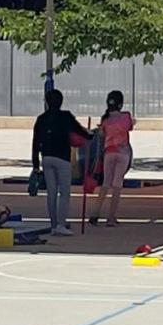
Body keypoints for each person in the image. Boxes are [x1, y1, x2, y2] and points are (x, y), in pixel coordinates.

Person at [32, 89, 91, 236]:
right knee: (64, 193)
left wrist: (35, 165)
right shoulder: (66, 116)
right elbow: (80, 131)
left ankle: (53, 224)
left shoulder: (41, 119)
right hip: (62, 158)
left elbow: (35, 143)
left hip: (46, 158)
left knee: (51, 193)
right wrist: (90, 135)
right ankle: (61, 223)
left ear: (46, 102)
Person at [90, 90, 135, 227]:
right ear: (121, 104)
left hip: (109, 152)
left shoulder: (105, 120)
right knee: (117, 184)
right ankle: (111, 217)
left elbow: (102, 135)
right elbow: (130, 127)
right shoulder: (126, 116)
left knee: (105, 184)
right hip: (123, 153)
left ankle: (95, 214)